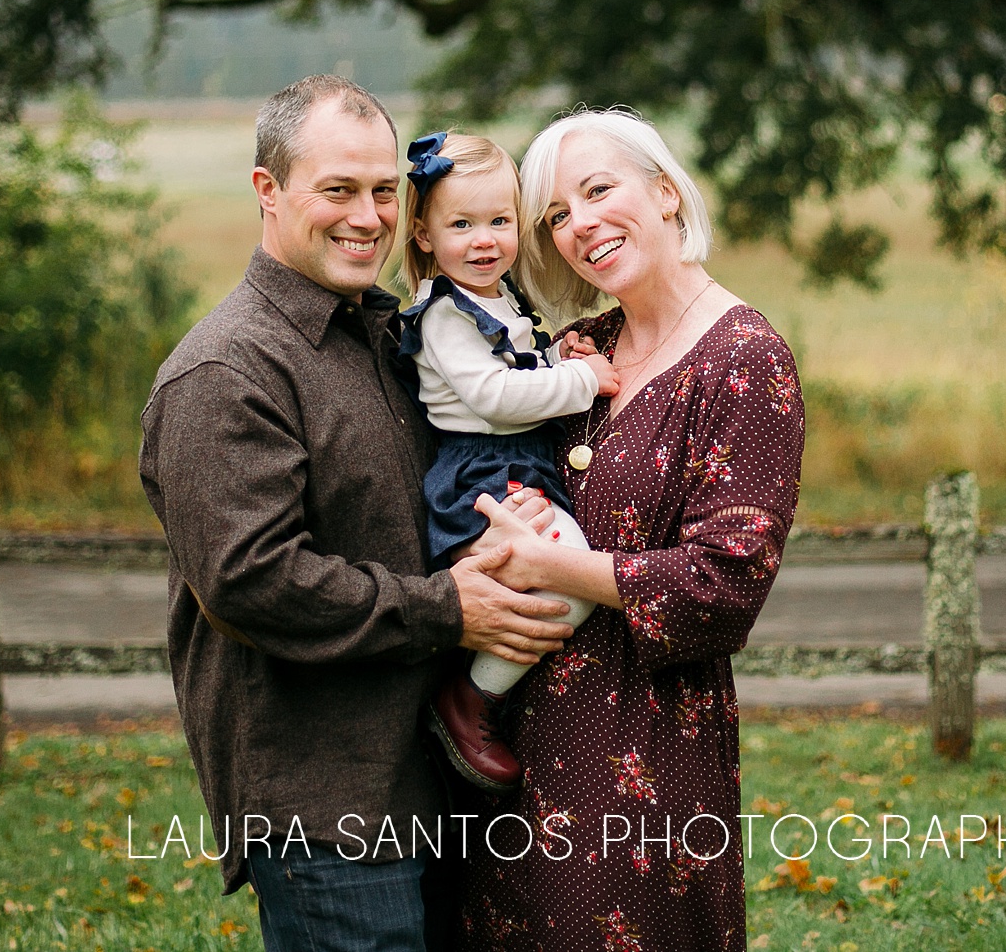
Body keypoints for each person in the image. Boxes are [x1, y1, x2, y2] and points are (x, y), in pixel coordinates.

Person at [138, 75, 576, 952]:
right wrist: (449, 606)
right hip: (326, 801)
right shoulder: (227, 371)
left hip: (428, 779)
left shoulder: (389, 335)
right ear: (268, 190)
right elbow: (251, 579)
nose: (367, 216)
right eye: (338, 189)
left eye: (384, 190)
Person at [457, 109, 806, 952]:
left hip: (643, 748)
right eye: (556, 215)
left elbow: (724, 585)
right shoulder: (584, 347)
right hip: (510, 734)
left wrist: (553, 564)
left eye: (598, 190)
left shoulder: (745, 358)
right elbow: (499, 475)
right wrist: (495, 535)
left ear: (664, 191)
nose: (581, 224)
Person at [395, 131, 621, 794]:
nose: (484, 238)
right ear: (425, 234)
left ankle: (480, 684)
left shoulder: (501, 297)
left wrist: (559, 359)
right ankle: (470, 698)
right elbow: (492, 397)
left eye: (499, 221)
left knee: (558, 570)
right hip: (481, 472)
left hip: (513, 461)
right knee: (575, 572)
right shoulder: (442, 312)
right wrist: (586, 382)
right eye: (461, 223)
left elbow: (515, 369)